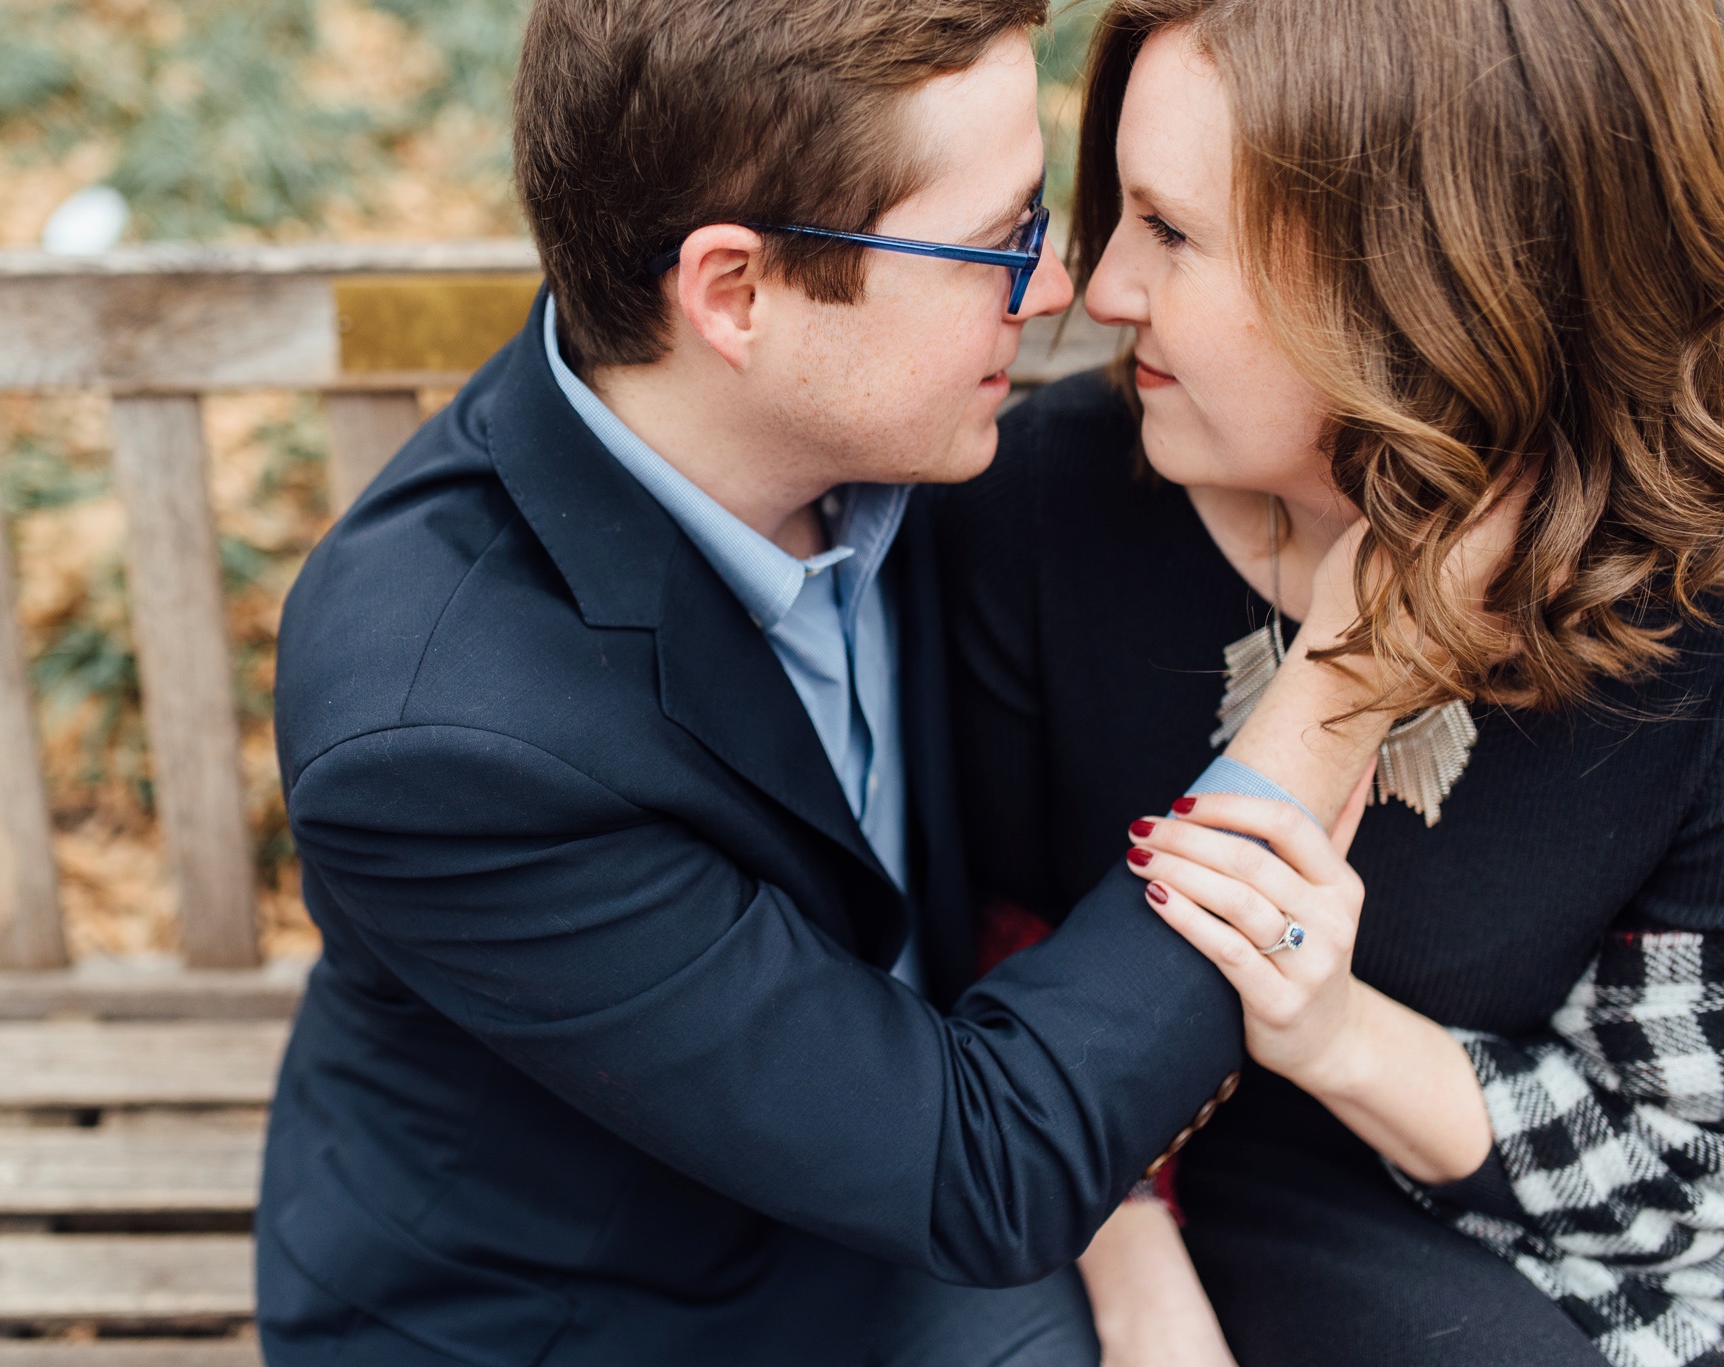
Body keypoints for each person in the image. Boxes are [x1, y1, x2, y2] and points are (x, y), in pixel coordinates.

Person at [254, 0, 1424, 1362]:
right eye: (997, 245)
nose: (1054, 293)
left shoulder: (875, 437)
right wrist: (1345, 677)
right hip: (594, 1314)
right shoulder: (442, 737)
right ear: (738, 294)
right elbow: (986, 1177)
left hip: (922, 1164)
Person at [943, 1, 1724, 1364]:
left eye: (1171, 231)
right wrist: (1137, 1280)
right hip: (1106, 1201)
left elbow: (1678, 1172)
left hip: (1551, 1232)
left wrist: (1331, 1027)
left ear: (1427, 275)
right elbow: (970, 990)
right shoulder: (1031, 512)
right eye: (1115, 212)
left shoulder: (1687, 616)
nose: (1099, 288)